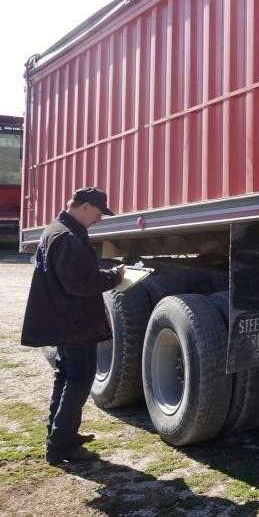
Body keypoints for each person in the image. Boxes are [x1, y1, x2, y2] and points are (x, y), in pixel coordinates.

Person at [21, 187, 125, 464]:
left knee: (66, 376)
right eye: (99, 213)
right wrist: (114, 277)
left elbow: (75, 276)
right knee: (78, 379)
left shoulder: (55, 231)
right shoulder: (67, 237)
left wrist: (104, 274)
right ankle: (61, 444)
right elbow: (80, 283)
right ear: (87, 206)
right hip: (74, 322)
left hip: (65, 320)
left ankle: (59, 435)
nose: (99, 219)